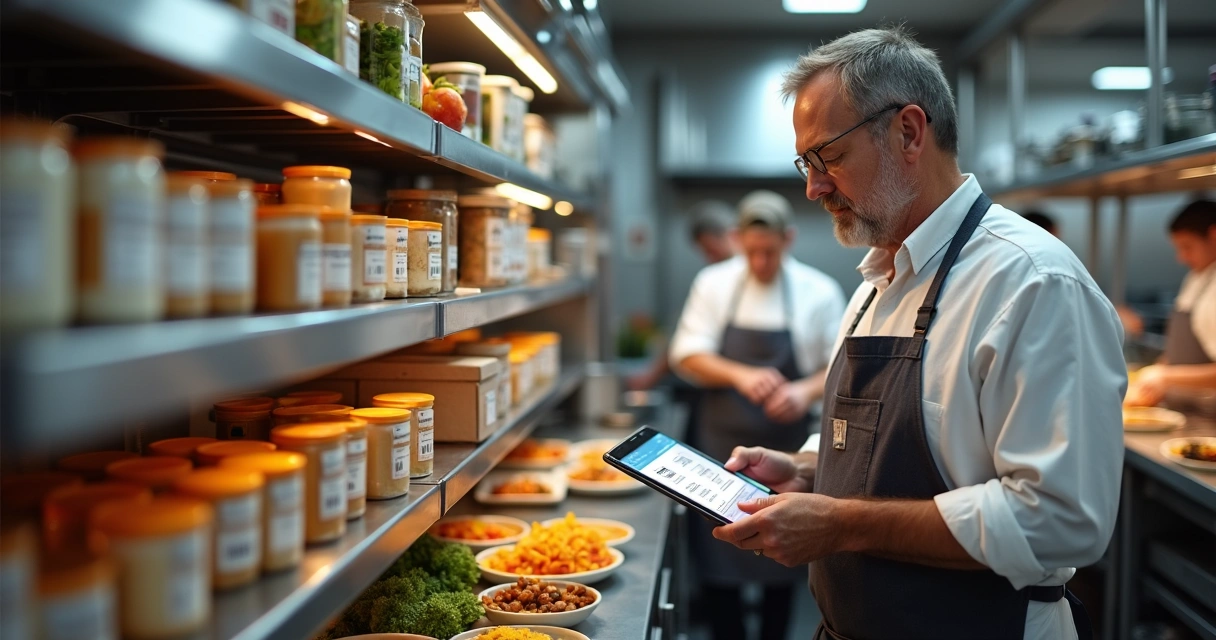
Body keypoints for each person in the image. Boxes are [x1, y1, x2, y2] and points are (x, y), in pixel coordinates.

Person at [710, 27, 1125, 640]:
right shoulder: (878, 281)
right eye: (807, 163)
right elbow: (887, 455)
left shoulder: (1032, 282)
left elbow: (1061, 519)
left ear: (908, 131)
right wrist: (804, 469)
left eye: (829, 157)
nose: (813, 187)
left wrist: (841, 523)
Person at [669, 189, 845, 640]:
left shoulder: (818, 291)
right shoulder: (713, 283)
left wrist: (803, 391)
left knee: (779, 560)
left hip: (787, 451)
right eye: (751, 252)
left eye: (770, 252)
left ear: (788, 239)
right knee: (720, 563)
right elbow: (684, 355)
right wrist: (739, 375)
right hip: (718, 450)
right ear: (736, 239)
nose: (761, 262)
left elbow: (844, 367)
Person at [626, 200, 737, 392]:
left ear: (731, 236)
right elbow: (684, 340)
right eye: (705, 252)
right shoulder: (711, 281)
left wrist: (650, 376)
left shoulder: (744, 275)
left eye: (711, 250)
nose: (709, 258)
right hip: (716, 390)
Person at [1125, 199, 1216, 406]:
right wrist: (1156, 373)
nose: (1181, 258)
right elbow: (1181, 348)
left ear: (1214, 235)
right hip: (1184, 408)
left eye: (1187, 247)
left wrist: (1166, 376)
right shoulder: (1197, 277)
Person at [1025, 209, 1145, 337]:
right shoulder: (1046, 270)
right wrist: (1117, 321)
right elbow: (1064, 318)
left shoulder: (1022, 269)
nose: (1060, 244)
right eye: (1056, 238)